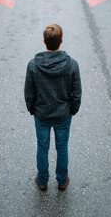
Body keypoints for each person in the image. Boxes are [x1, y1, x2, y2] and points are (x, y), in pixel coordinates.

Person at [24, 24, 82, 191]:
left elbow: (29, 92)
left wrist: (32, 110)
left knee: (42, 147)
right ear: (61, 41)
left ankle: (42, 181)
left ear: (44, 42)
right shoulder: (72, 64)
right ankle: (62, 181)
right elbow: (76, 92)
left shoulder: (33, 65)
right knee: (62, 147)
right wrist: (73, 110)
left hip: (42, 115)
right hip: (63, 115)